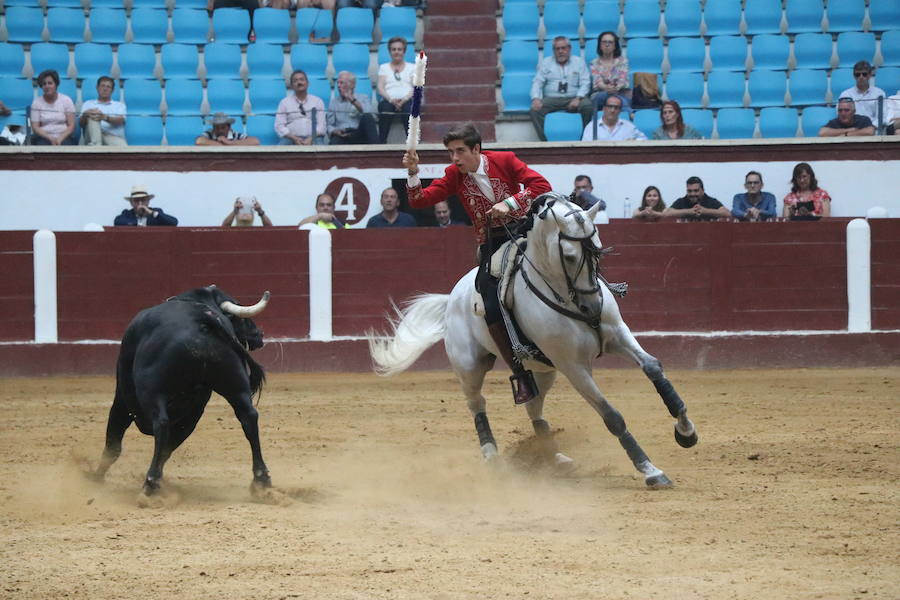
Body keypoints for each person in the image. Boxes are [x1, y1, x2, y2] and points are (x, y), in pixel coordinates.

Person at [402, 123, 552, 405]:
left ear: (476, 149)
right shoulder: (454, 175)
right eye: (450, 152)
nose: (454, 158)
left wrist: (508, 204)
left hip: (526, 233)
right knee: (488, 298)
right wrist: (412, 172)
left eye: (460, 151)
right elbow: (419, 200)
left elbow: (541, 186)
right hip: (492, 244)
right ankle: (519, 373)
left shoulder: (504, 160)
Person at [530, 36, 593, 141]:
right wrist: (536, 98)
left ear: (569, 48)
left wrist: (579, 98)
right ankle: (545, 143)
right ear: (553, 50)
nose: (561, 51)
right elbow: (537, 82)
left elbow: (585, 82)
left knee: (587, 106)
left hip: (574, 98)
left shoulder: (579, 62)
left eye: (563, 48)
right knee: (535, 110)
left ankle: (584, 140)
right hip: (551, 99)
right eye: (557, 49)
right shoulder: (546, 62)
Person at [376, 36, 415, 144]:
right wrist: (391, 100)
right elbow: (380, 87)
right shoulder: (384, 67)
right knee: (385, 109)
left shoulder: (411, 67)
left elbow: (415, 87)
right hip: (389, 100)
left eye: (399, 49)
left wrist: (404, 100)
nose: (396, 52)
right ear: (390, 51)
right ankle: (381, 143)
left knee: (409, 109)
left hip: (407, 100)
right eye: (393, 49)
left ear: (404, 51)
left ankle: (412, 144)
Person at [327, 71, 379, 145]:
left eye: (341, 83)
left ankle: (377, 153)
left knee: (367, 117)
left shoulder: (363, 97)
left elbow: (371, 116)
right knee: (334, 142)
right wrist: (335, 131)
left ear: (352, 84)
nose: (338, 86)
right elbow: (329, 125)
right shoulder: (334, 102)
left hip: (358, 133)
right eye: (337, 83)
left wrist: (353, 100)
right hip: (342, 133)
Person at [275, 70, 327, 145]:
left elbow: (322, 126)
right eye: (295, 81)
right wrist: (294, 138)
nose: (299, 83)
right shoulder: (284, 103)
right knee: (279, 151)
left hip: (314, 137)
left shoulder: (317, 101)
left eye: (302, 80)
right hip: (290, 138)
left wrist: (310, 138)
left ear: (308, 83)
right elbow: (279, 126)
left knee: (321, 150)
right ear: (292, 85)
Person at [30, 70, 76, 146]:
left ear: (56, 85)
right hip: (44, 137)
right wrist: (50, 138)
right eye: (44, 84)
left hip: (64, 137)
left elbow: (71, 126)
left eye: (50, 83)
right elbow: (35, 127)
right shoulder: (36, 103)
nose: (47, 86)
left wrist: (60, 138)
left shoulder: (67, 100)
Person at [589, 31, 630, 114]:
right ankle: (630, 114)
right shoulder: (594, 63)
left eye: (610, 42)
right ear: (600, 45)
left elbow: (623, 80)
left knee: (616, 98)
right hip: (600, 95)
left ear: (615, 46)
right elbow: (597, 81)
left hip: (619, 93)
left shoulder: (622, 61)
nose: (607, 45)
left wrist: (615, 88)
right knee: (613, 97)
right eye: (604, 42)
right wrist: (606, 88)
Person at [79, 76, 127, 146]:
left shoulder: (119, 105)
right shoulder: (88, 104)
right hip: (92, 136)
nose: (105, 89)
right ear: (97, 88)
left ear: (112, 90)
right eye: (102, 86)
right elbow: (81, 124)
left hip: (112, 136)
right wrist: (85, 114)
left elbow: (121, 121)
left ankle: (96, 147)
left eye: (108, 87)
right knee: (93, 114)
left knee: (123, 148)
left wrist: (105, 117)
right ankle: (97, 146)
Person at [838, 61, 886, 127]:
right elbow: (841, 116)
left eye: (864, 74)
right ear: (854, 76)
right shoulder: (845, 95)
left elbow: (882, 117)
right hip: (852, 131)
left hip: (873, 131)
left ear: (870, 75)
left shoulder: (879, 93)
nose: (861, 77)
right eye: (858, 74)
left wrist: (869, 128)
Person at [581, 95, 647, 141]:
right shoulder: (591, 127)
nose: (612, 110)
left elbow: (644, 141)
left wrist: (635, 141)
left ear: (620, 111)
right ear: (604, 108)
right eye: (610, 106)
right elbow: (585, 148)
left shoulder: (629, 126)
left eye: (616, 107)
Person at [663, 176, 731, 221]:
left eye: (696, 191)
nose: (692, 194)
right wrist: (689, 211)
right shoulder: (681, 201)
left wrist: (705, 211)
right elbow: (666, 213)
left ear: (703, 190)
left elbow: (727, 213)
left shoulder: (711, 201)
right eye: (689, 191)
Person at [114, 185, 178, 226]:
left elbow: (174, 222)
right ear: (131, 203)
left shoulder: (156, 212)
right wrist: (139, 224)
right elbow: (117, 222)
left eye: (143, 200)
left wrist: (152, 213)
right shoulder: (127, 214)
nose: (140, 203)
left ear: (148, 201)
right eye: (136, 200)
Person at [196, 112, 260, 146]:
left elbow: (255, 141)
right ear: (213, 127)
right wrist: (223, 145)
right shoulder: (209, 133)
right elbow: (199, 141)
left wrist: (230, 143)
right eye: (216, 127)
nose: (220, 130)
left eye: (223, 127)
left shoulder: (234, 134)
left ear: (229, 127)